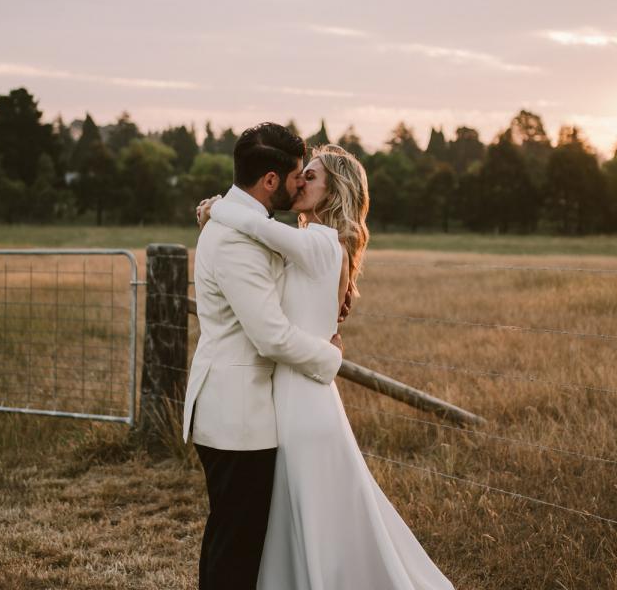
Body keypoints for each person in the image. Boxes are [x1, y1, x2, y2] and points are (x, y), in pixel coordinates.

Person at [197, 142, 454, 590]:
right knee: (304, 517)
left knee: (314, 519)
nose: (300, 181)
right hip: (297, 395)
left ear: (334, 192)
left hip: (303, 400)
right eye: (301, 173)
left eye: (310, 176)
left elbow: (256, 226)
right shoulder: (311, 243)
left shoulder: (318, 241)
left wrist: (216, 208)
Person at [183, 123, 345, 590]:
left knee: (235, 539)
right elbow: (270, 336)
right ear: (271, 180)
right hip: (237, 413)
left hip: (246, 411)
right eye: (298, 174)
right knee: (237, 546)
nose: (301, 182)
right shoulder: (234, 237)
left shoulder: (241, 221)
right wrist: (330, 359)